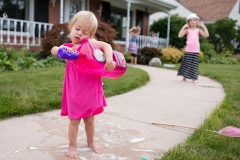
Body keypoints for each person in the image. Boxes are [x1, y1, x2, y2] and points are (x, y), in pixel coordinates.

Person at [51, 11, 116, 158]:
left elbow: (106, 45)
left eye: (85, 32)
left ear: (90, 35)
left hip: (90, 89)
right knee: (74, 121)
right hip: (74, 90)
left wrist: (109, 60)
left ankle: (90, 141)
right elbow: (54, 50)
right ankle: (72, 145)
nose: (80, 33)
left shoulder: (90, 44)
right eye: (77, 29)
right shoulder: (68, 47)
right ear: (71, 27)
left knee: (90, 120)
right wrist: (60, 49)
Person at [177, 13, 209, 84]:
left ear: (196, 21)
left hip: (196, 50)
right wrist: (183, 27)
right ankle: (184, 76)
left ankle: (194, 78)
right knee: (186, 64)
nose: (192, 21)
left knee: (194, 65)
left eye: (194, 20)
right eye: (190, 20)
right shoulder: (187, 30)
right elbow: (179, 36)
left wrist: (203, 27)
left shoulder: (198, 30)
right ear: (188, 22)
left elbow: (206, 35)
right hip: (188, 50)